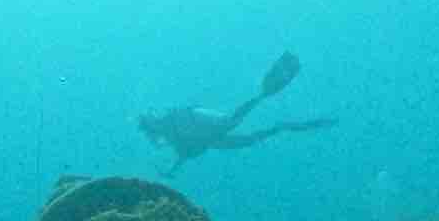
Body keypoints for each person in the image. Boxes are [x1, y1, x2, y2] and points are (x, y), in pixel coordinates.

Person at [138, 49, 337, 176]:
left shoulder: (172, 121)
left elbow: (190, 135)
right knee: (253, 136)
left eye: (151, 121)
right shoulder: (171, 135)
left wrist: (176, 162)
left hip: (212, 129)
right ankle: (292, 120)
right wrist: (172, 168)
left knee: (233, 121)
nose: (153, 124)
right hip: (213, 138)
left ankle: (270, 87)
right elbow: (186, 151)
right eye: (150, 123)